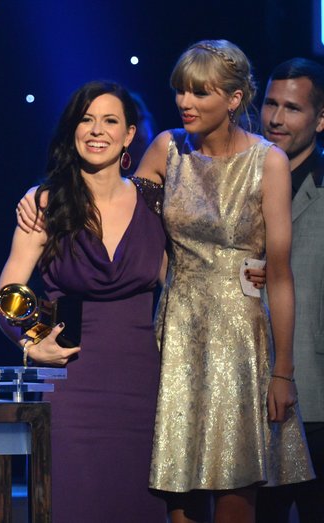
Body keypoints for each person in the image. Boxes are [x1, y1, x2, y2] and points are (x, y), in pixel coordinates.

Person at [134, 40, 314, 523]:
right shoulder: (166, 149)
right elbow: (118, 215)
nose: (184, 103)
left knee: (236, 487)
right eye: (180, 92)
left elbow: (279, 274)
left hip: (239, 338)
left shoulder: (266, 161)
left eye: (199, 94)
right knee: (179, 487)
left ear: (234, 100)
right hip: (177, 333)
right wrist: (43, 195)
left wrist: (284, 371)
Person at [0, 80, 167, 522]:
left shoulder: (156, 202)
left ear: (129, 135)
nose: (96, 130)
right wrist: (33, 343)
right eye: (86, 119)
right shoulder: (44, 202)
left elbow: (189, 275)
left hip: (147, 384)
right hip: (71, 385)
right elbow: (6, 295)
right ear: (72, 130)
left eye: (110, 120)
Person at [254, 58, 324, 523]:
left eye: (293, 109)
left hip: (317, 392)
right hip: (250, 392)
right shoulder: (238, 181)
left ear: (320, 118)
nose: (277, 119)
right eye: (271, 104)